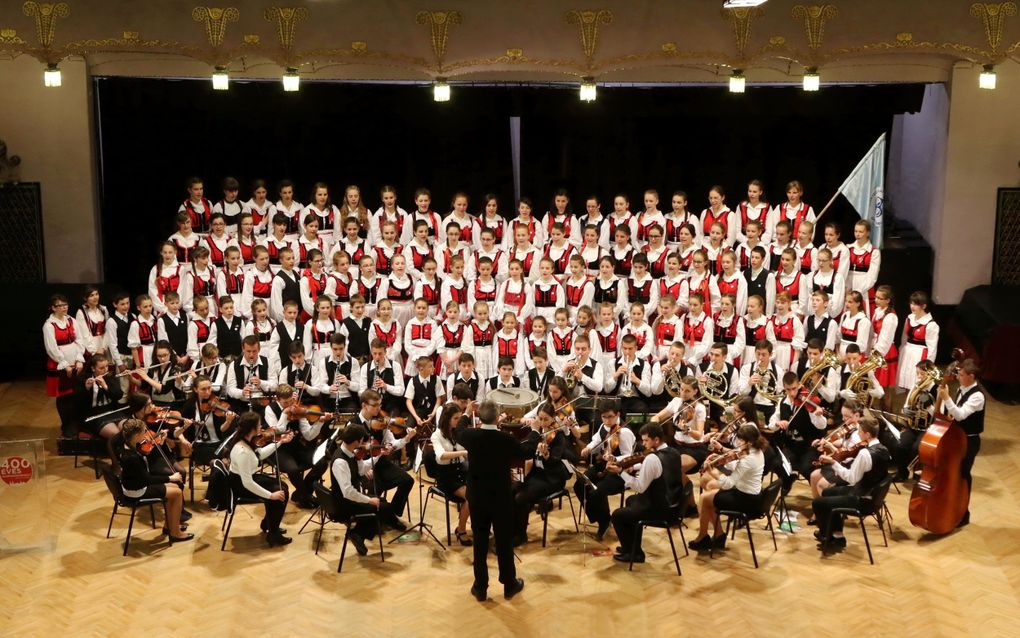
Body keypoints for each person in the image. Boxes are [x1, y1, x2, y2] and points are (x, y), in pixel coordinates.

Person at [455, 400, 535, 601]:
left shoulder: (471, 436)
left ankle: (480, 587)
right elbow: (527, 452)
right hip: (500, 498)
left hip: (478, 498)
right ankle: (509, 584)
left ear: (480, 417)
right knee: (503, 542)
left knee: (480, 542)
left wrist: (466, 412)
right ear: (497, 416)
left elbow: (459, 428)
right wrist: (534, 431)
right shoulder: (505, 439)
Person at [607, 422, 684, 563]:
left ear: (656, 440)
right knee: (631, 501)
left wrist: (621, 472)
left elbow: (639, 487)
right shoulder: (673, 452)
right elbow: (657, 467)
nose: (643, 444)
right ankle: (631, 547)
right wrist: (634, 467)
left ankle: (635, 554)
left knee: (617, 515)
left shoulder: (652, 459)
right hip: (674, 505)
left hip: (659, 509)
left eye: (646, 440)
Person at [811, 417, 891, 550]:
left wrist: (833, 463)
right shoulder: (884, 450)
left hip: (861, 499)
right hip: (872, 496)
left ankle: (827, 537)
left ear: (867, 434)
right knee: (826, 492)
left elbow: (851, 478)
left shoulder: (865, 453)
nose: (858, 433)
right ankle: (837, 536)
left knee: (818, 503)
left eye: (860, 431)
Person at [688, 424, 768, 552]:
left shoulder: (748, 458)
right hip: (750, 493)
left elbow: (729, 483)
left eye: (741, 440)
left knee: (705, 498)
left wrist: (713, 471)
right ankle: (718, 534)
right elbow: (736, 464)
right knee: (708, 495)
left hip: (746, 499)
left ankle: (703, 537)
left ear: (749, 441)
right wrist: (720, 458)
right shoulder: (756, 451)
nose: (738, 442)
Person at [329, 423, 405, 556]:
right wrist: (369, 500)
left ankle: (360, 533)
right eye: (363, 440)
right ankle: (357, 533)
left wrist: (379, 455)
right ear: (356, 441)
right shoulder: (340, 462)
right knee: (382, 508)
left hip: (351, 498)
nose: (364, 443)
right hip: (343, 504)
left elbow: (362, 468)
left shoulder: (350, 453)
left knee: (382, 504)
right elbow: (348, 492)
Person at [118, 418, 193, 543]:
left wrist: (159, 442)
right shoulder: (132, 457)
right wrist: (169, 478)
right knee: (178, 492)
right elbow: (147, 479)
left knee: (176, 488)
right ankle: (175, 533)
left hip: (134, 484)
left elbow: (142, 466)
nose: (145, 435)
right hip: (137, 490)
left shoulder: (127, 447)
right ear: (136, 435)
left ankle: (170, 526)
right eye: (143, 432)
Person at [228, 411, 293, 546]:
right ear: (252, 428)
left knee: (283, 487)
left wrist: (280, 442)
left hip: (247, 478)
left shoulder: (248, 440)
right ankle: (273, 533)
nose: (261, 427)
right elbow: (247, 483)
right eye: (258, 425)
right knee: (281, 494)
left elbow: (261, 454)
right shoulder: (242, 451)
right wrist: (270, 496)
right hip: (241, 486)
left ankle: (269, 524)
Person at [350, 389, 415, 522]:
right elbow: (350, 454)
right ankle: (379, 517)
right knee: (375, 487)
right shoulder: (353, 424)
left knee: (408, 480)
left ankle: (392, 513)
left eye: (380, 405)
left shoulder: (382, 422)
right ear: (364, 405)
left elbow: (392, 443)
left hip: (381, 463)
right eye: (375, 405)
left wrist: (406, 439)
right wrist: (364, 467)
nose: (378, 409)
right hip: (364, 468)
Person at [936, 359, 985, 527]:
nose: (958, 377)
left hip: (969, 441)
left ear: (972, 376)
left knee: (963, 475)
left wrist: (947, 398)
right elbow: (951, 412)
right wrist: (941, 402)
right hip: (957, 438)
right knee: (953, 473)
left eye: (961, 375)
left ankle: (964, 513)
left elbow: (960, 415)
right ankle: (950, 506)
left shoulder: (977, 396)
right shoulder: (962, 389)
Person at [576, 401, 635, 539]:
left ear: (617, 414)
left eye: (610, 417)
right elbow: (596, 441)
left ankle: (603, 522)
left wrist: (614, 458)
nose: (607, 420)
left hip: (620, 469)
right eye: (604, 417)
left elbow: (629, 456)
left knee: (596, 492)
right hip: (604, 464)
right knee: (579, 484)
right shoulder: (604, 426)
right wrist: (588, 448)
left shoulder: (624, 431)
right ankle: (602, 518)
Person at [430, 401, 473, 546]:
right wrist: (464, 452)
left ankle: (477, 525)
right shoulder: (437, 435)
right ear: (447, 418)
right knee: (471, 497)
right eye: (456, 418)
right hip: (447, 476)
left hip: (462, 471)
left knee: (482, 491)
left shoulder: (459, 432)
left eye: (460, 418)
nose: (459, 421)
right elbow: (441, 455)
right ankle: (461, 530)